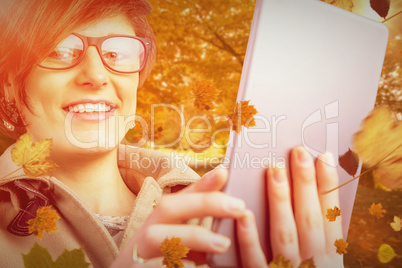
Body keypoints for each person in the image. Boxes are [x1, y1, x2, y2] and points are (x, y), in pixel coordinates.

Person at [0, 0, 343, 267]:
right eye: (60, 51)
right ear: (11, 85)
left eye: (117, 54)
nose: (97, 75)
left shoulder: (224, 216)